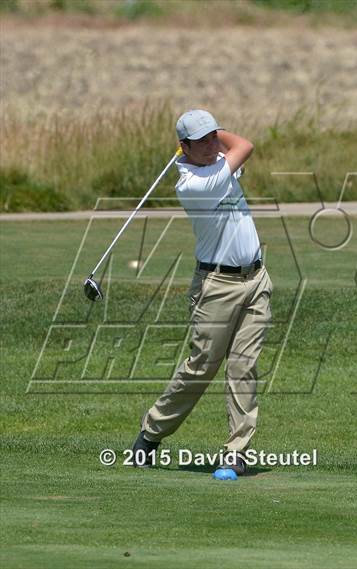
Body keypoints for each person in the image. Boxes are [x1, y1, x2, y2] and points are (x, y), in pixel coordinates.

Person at [132, 109, 273, 475]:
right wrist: (221, 133)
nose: (212, 145)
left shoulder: (214, 163)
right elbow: (245, 145)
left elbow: (230, 150)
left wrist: (208, 131)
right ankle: (151, 433)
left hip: (256, 279)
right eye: (202, 140)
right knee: (200, 369)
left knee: (244, 367)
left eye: (213, 137)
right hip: (217, 288)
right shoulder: (195, 185)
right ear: (184, 148)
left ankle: (236, 452)